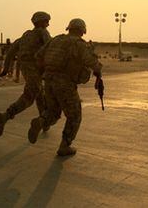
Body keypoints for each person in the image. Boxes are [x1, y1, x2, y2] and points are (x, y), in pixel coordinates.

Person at [28, 18, 102, 156]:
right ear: (82, 30)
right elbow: (91, 61)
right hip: (65, 83)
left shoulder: (56, 39)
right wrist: (98, 71)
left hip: (48, 80)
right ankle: (64, 145)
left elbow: (38, 56)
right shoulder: (79, 44)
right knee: (75, 115)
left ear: (69, 28)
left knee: (54, 112)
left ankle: (41, 121)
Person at [0, 11, 52, 136]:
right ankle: (6, 115)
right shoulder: (42, 32)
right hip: (35, 69)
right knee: (29, 97)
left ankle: (44, 123)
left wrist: (5, 70)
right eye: (46, 21)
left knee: (39, 95)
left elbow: (10, 52)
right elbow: (50, 48)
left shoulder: (25, 36)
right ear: (41, 22)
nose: (48, 24)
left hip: (26, 69)